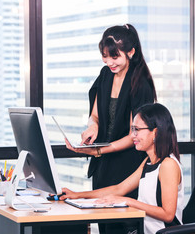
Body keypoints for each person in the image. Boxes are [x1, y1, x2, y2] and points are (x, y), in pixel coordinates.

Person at [61, 103, 184, 234]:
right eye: (132, 129)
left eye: (137, 129)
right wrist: (76, 195)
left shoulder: (168, 165)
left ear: (155, 132)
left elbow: (168, 215)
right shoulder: (148, 162)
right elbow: (119, 189)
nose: (133, 135)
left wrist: (128, 201)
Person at [66, 24, 157, 200]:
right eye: (105, 57)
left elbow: (135, 135)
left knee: (121, 223)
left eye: (115, 57)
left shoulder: (140, 83)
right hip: (103, 164)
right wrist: (92, 127)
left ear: (131, 52)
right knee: (102, 220)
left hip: (127, 166)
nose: (109, 63)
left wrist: (99, 151)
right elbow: (95, 116)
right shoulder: (105, 74)